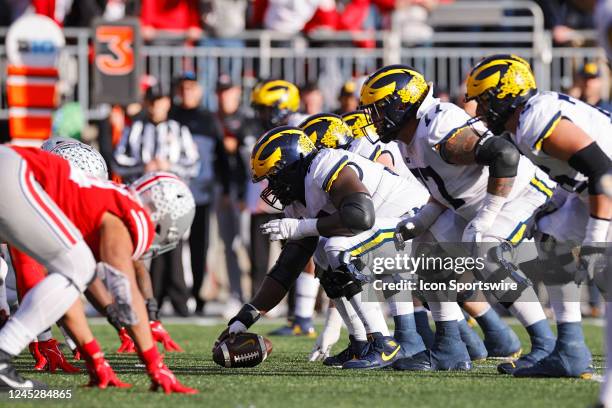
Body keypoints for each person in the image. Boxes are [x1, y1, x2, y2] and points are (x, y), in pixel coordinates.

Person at [360, 64, 557, 371]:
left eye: (378, 109)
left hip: (519, 193)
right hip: (475, 204)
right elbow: (447, 186)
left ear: (402, 103)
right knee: (426, 253)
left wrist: (487, 216)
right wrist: (424, 218)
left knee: (486, 251)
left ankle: (545, 345)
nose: (373, 118)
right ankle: (449, 347)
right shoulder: (408, 138)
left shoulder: (437, 124)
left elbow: (505, 155)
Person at [465, 55, 610, 383]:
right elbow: (575, 174)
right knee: (550, 235)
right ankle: (570, 348)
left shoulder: (535, 118)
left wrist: (595, 238)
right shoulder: (523, 124)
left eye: (485, 100)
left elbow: (602, 170)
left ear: (507, 93)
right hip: (595, 190)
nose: (481, 110)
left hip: (607, 186)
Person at [113, 84, 200, 316]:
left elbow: (194, 164)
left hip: (173, 201)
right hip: (143, 202)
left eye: (160, 100)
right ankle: (149, 299)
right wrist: (144, 167)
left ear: (167, 103)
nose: (156, 106)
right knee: (144, 248)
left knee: (175, 246)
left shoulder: (179, 130)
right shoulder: (134, 129)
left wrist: (169, 167)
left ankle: (181, 298)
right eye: (152, 101)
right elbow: (117, 161)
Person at [248, 79, 319, 337]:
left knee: (320, 252)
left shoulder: (304, 126)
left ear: (280, 106)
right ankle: (300, 318)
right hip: (302, 198)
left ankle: (304, 317)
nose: (262, 115)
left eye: (266, 108)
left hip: (323, 197)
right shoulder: (286, 126)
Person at [170, 72, 231, 315]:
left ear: (199, 91)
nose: (187, 92)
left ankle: (198, 293)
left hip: (201, 193)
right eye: (182, 88)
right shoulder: (171, 117)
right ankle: (175, 294)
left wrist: (225, 187)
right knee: (172, 244)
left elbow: (221, 157)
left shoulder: (209, 119)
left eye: (191, 87)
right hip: (173, 193)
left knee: (200, 245)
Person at [215, 74, 259, 312]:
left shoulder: (247, 121)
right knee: (229, 245)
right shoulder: (214, 121)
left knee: (246, 245)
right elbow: (220, 161)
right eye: (221, 91)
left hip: (246, 193)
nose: (224, 96)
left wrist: (244, 196)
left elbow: (249, 164)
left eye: (228, 91)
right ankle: (236, 294)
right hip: (225, 190)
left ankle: (257, 294)